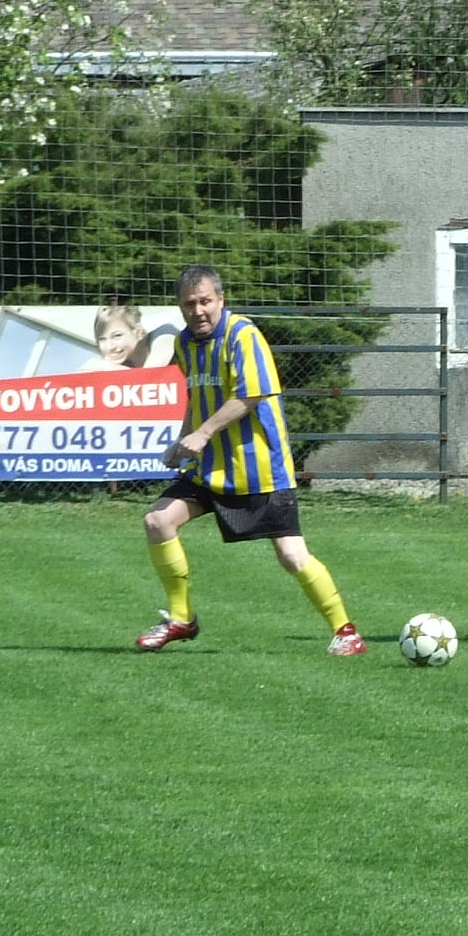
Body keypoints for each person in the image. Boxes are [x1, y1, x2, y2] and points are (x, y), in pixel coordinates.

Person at [136, 265, 364, 655]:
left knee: (291, 555)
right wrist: (182, 440)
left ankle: (346, 632)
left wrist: (203, 434)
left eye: (205, 301)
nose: (198, 311)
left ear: (221, 300)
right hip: (208, 468)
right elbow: (197, 396)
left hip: (258, 468)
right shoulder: (185, 344)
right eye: (189, 304)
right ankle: (180, 619)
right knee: (158, 521)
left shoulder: (243, 335)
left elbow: (250, 395)